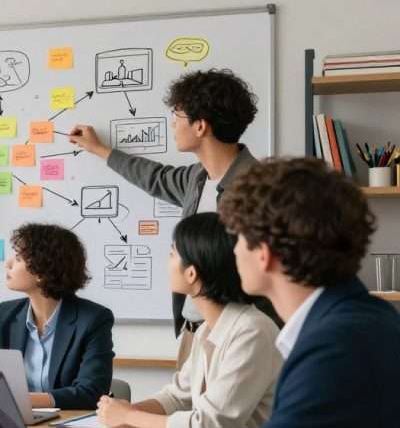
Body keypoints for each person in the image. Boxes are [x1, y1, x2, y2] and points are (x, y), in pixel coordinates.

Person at [70, 158, 400, 428]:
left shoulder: (338, 348)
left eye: (238, 238)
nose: (231, 251)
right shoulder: (353, 322)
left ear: (265, 253)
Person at [69, 69, 272, 336]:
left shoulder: (261, 189)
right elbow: (153, 177)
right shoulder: (196, 179)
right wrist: (99, 149)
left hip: (237, 335)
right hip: (193, 331)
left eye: (177, 115)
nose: (173, 124)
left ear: (200, 126)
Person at [96, 212, 281, 428]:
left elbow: (210, 425)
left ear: (191, 273)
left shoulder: (252, 331)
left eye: (172, 254)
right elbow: (176, 397)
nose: (167, 262)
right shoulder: (206, 328)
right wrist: (125, 411)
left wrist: (128, 417)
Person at [0, 223, 113, 409]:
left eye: (17, 258)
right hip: (14, 420)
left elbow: (91, 392)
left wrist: (24, 401)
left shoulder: (93, 319)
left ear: (40, 271)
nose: (7, 263)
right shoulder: (7, 314)